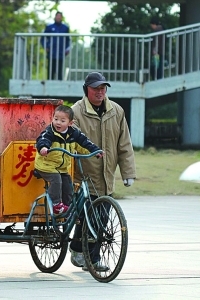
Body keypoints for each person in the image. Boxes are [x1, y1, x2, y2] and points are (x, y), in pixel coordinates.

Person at [69, 72, 136, 271]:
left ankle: (82, 253)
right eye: (95, 88)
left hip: (106, 178)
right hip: (83, 177)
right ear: (86, 90)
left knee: (102, 219)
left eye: (103, 88)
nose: (100, 92)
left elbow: (124, 144)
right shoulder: (76, 112)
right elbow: (72, 142)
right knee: (88, 220)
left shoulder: (116, 111)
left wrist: (128, 173)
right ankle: (90, 258)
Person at [34, 105, 103, 215]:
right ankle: (56, 204)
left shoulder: (74, 134)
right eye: (56, 119)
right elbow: (42, 140)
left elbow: (85, 143)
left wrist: (95, 151)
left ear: (70, 123)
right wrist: (43, 148)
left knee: (68, 184)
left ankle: (67, 207)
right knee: (56, 179)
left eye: (62, 120)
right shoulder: (50, 132)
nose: (58, 123)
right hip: (46, 166)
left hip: (61, 168)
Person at [41, 12, 71, 80]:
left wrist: (67, 49)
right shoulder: (49, 27)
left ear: (61, 18)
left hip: (61, 53)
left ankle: (59, 88)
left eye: (60, 16)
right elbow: (43, 39)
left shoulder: (65, 28)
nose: (58, 17)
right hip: (51, 53)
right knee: (50, 72)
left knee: (59, 72)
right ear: (55, 17)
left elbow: (67, 40)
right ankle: (49, 87)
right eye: (57, 16)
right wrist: (46, 46)